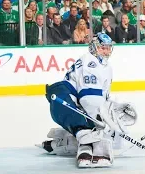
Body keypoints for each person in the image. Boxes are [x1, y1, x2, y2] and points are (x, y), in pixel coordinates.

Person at [43, 33, 137, 168]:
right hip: (63, 98)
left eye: (108, 48)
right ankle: (87, 147)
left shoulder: (106, 67)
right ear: (94, 48)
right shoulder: (90, 61)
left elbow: (100, 97)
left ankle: (63, 142)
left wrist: (110, 113)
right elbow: (89, 99)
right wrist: (104, 123)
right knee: (91, 131)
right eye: (102, 48)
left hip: (73, 101)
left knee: (96, 130)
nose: (106, 51)